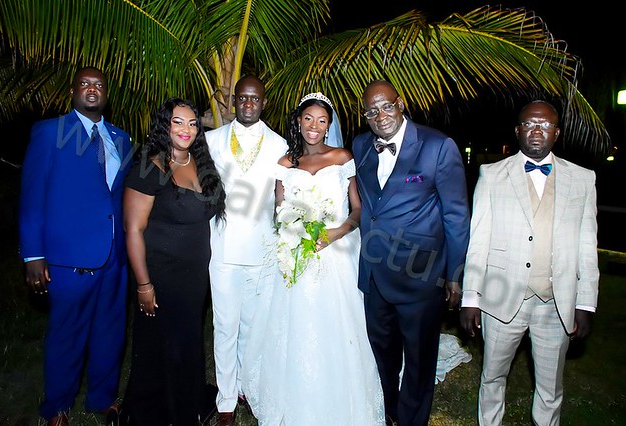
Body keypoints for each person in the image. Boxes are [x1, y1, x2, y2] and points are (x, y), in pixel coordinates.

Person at [242, 91, 385, 425]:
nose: (314, 126)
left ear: (329, 126)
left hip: (336, 254)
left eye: (322, 121)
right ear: (298, 121)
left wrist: (335, 232)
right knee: (292, 325)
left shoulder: (341, 157)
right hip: (296, 253)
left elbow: (358, 210)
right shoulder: (285, 164)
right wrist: (292, 231)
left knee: (338, 326)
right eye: (308, 119)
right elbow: (278, 211)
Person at [460, 100, 599, 425]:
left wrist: (586, 303)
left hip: (557, 302)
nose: (537, 131)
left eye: (546, 125)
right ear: (518, 130)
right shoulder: (492, 175)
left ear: (557, 132)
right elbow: (479, 240)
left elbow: (587, 245)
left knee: (551, 387)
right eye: (530, 124)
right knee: (493, 377)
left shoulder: (582, 179)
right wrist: (470, 298)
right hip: (503, 298)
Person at [352, 80, 471, 426]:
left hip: (421, 276)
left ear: (401, 104)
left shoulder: (438, 146)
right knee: (382, 353)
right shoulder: (361, 145)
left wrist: (455, 275)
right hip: (375, 271)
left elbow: (456, 216)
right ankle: (389, 410)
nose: (380, 115)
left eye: (386, 106)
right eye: (371, 111)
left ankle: (412, 419)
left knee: (419, 360)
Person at [18, 66, 132, 425]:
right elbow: (32, 196)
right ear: (73, 91)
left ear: (107, 93)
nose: (92, 89)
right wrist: (33, 254)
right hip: (69, 258)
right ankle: (57, 406)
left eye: (99, 85)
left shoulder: (121, 138)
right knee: (67, 334)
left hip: (115, 256)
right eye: (85, 84)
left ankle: (102, 399)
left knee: (110, 333)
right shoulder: (51, 133)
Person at [121, 98, 226, 425]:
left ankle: (186, 405)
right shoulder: (149, 165)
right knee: (162, 346)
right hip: (161, 275)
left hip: (193, 277)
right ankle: (156, 411)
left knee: (187, 341)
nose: (187, 129)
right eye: (178, 122)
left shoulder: (200, 162)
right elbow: (133, 229)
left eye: (193, 123)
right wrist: (144, 284)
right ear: (165, 125)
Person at [205, 75, 288, 426]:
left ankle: (249, 390)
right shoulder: (211, 140)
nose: (249, 104)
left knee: (255, 327)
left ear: (264, 103)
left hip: (263, 250)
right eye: (243, 98)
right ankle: (226, 400)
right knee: (225, 325)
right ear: (234, 101)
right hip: (222, 247)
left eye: (255, 99)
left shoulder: (280, 145)